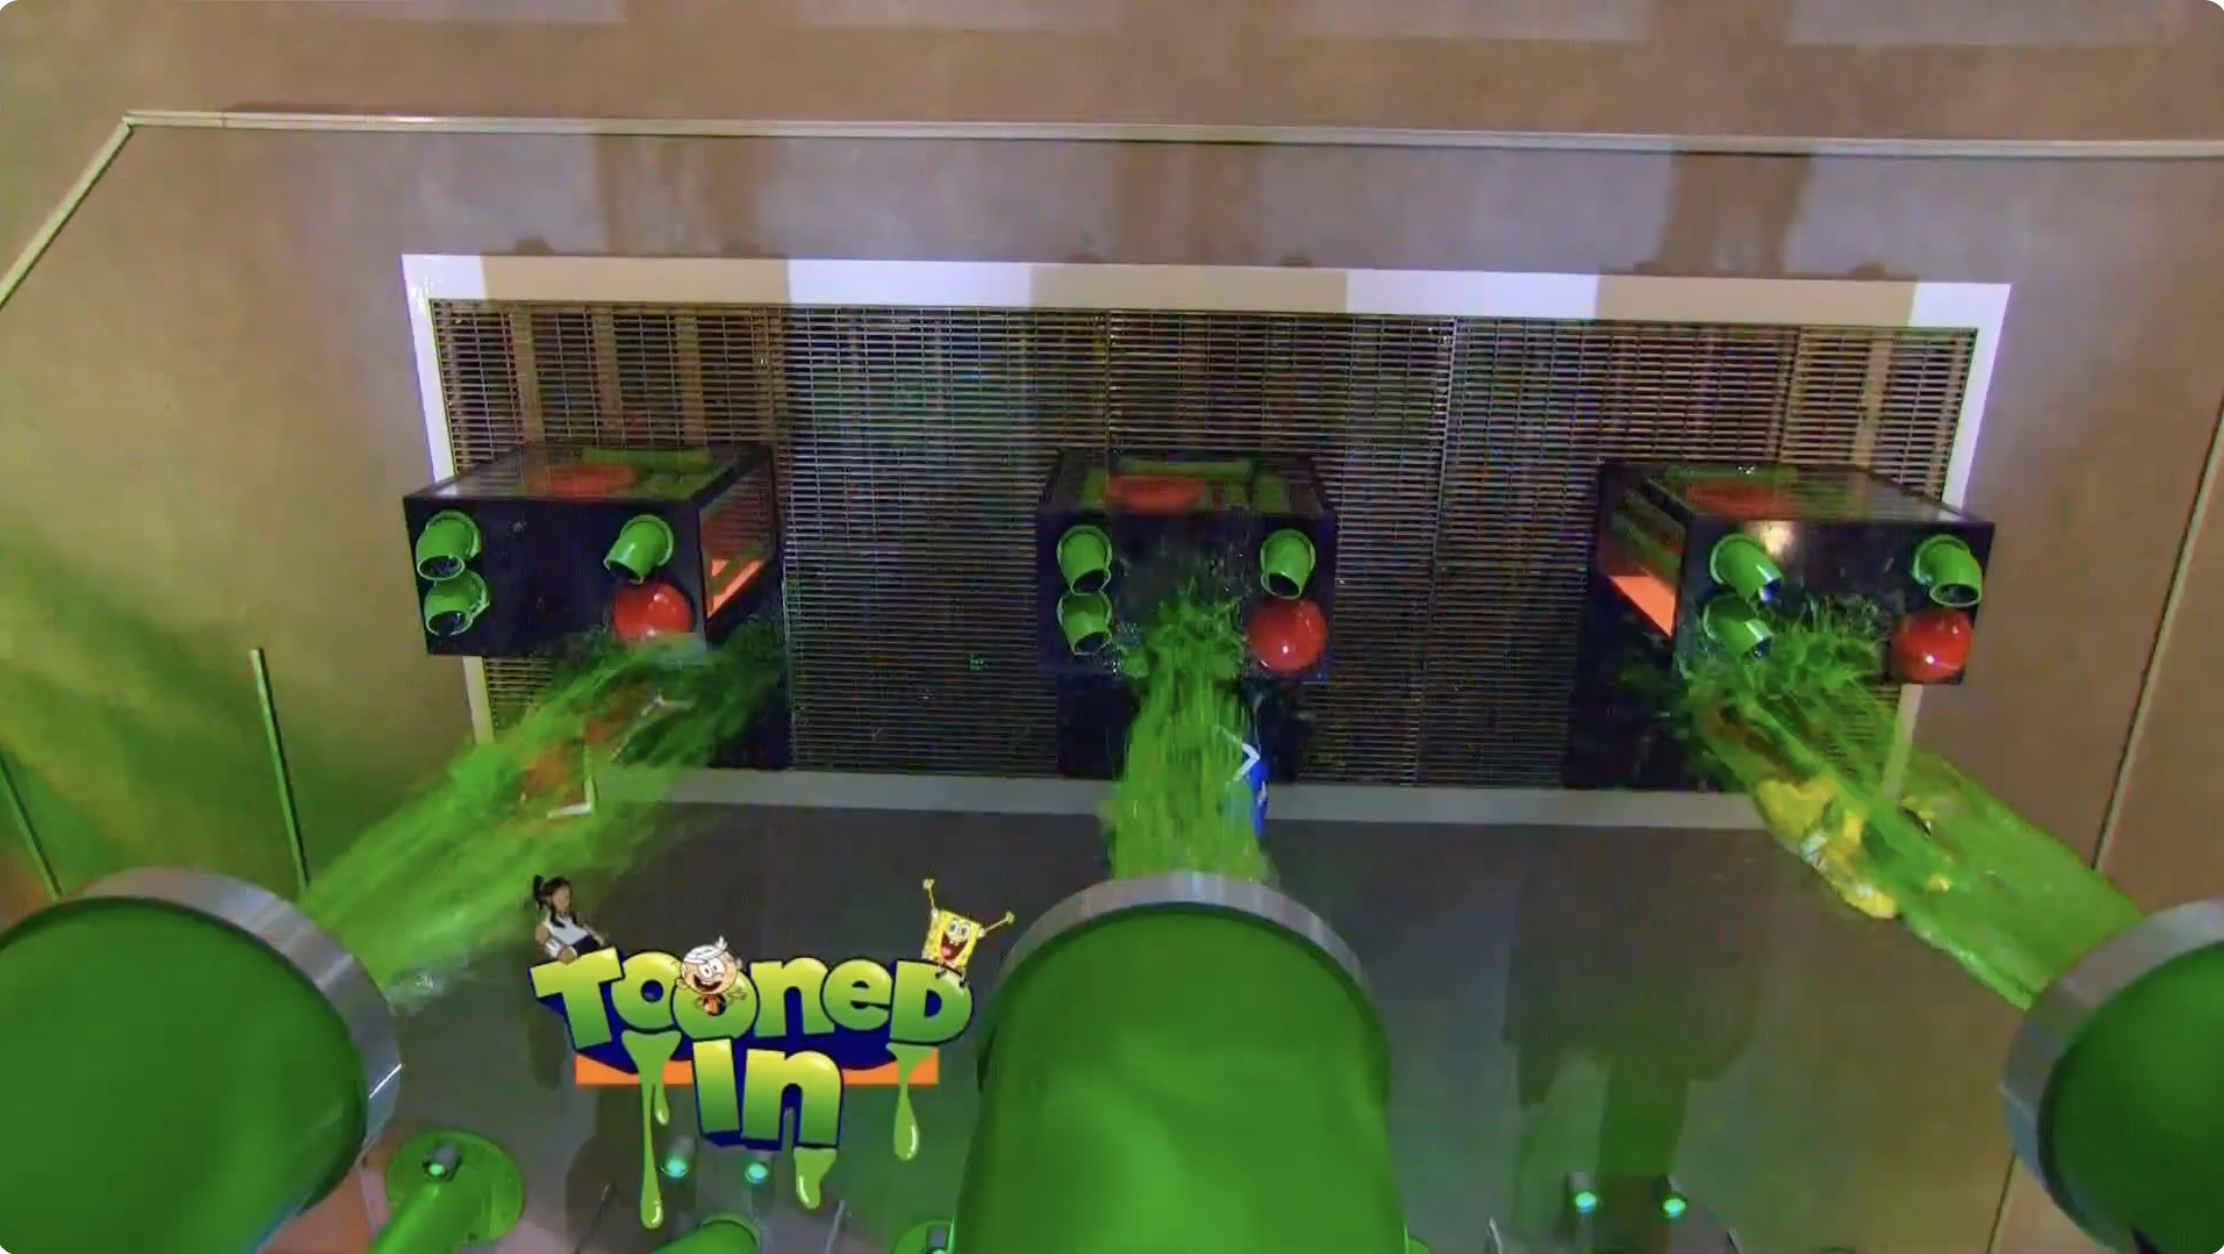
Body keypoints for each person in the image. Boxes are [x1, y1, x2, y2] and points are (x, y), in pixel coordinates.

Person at [532, 875, 608, 962]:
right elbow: (565, 956)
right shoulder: (544, 929)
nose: (566, 903)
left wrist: (595, 939)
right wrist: (589, 942)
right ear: (549, 900)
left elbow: (600, 941)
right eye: (561, 898)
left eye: (567, 897)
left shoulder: (576, 920)